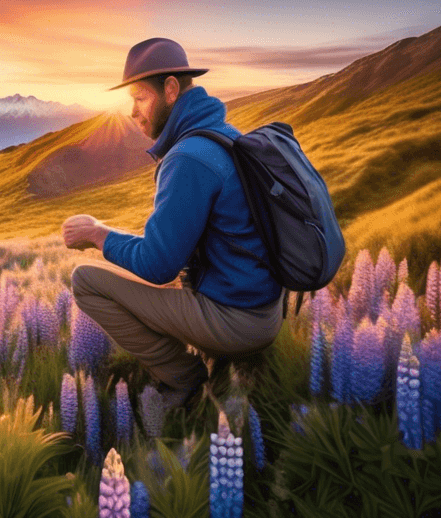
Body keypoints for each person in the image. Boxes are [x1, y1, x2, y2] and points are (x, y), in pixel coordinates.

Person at [61, 37, 284, 412]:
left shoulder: (189, 157)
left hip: (237, 321)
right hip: (263, 309)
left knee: (86, 281)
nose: (132, 111)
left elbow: (158, 266)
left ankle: (186, 376)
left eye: (139, 97)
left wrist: (97, 234)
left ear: (170, 90)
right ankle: (209, 361)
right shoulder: (225, 135)